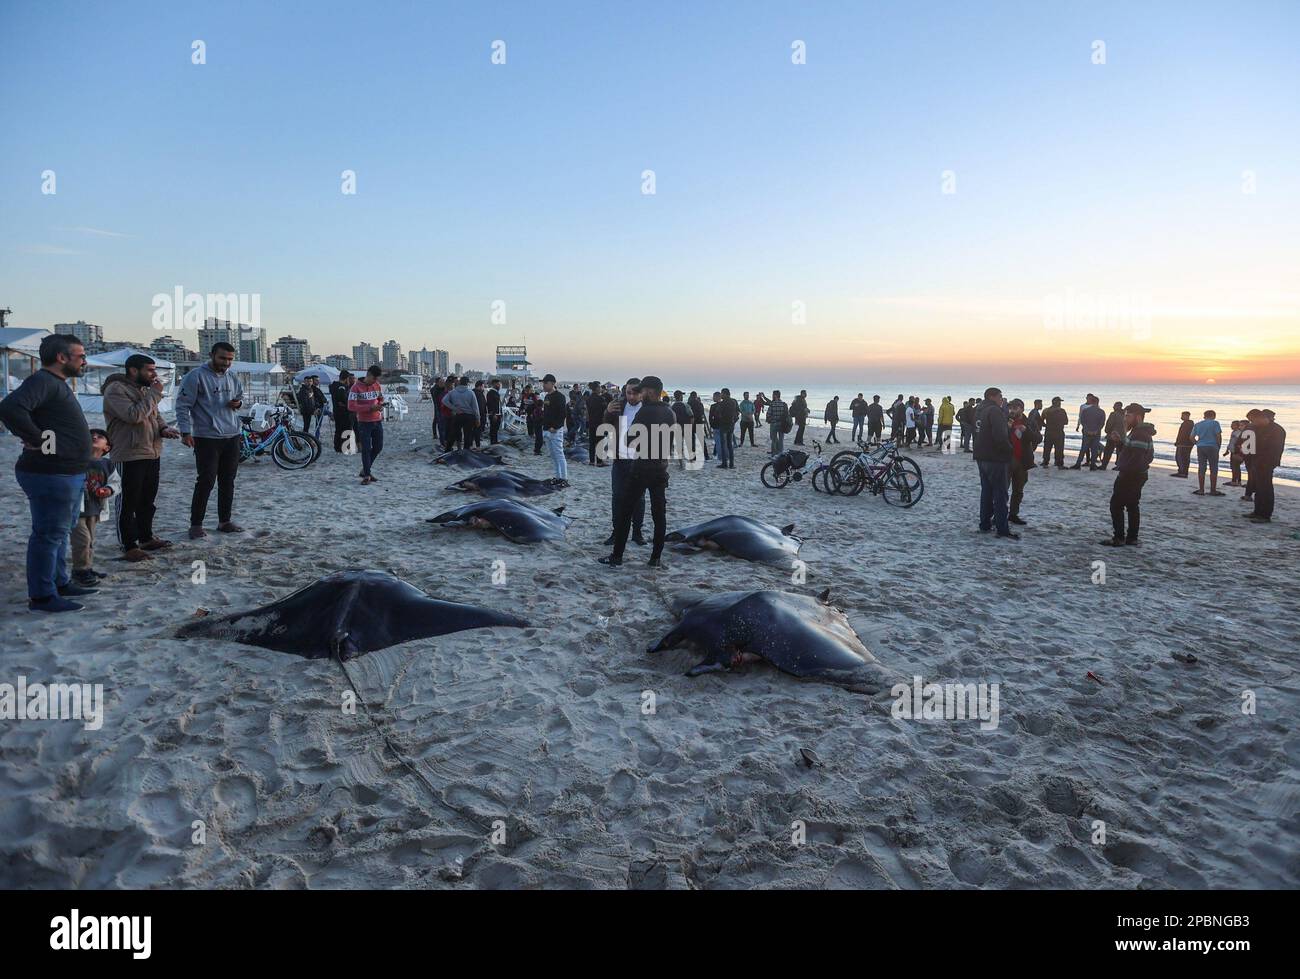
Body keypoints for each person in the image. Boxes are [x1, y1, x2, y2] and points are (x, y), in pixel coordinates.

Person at [0, 334, 98, 612]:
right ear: (61, 357)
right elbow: (9, 408)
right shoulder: (42, 381)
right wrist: (40, 440)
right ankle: (42, 596)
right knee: (48, 534)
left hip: (67, 472)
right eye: (80, 356)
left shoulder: (55, 384)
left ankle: (59, 582)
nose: (84, 361)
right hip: (51, 473)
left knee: (60, 531)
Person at [103, 353, 180, 560]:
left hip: (151, 451)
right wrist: (154, 394)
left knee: (147, 500)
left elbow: (155, 415)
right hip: (128, 454)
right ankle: (128, 545)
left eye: (154, 370)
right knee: (128, 501)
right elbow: (133, 416)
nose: (153, 374)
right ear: (133, 370)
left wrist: (164, 429)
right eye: (150, 370)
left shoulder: (144, 390)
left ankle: (146, 537)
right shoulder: (116, 390)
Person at [601, 376, 673, 567]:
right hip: (660, 469)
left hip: (641, 468)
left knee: (626, 511)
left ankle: (617, 556)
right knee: (659, 514)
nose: (640, 394)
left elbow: (630, 440)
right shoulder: (670, 412)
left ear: (650, 391)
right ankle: (655, 558)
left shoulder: (646, 412)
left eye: (642, 391)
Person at [175, 341, 245, 538]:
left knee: (228, 481)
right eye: (222, 358)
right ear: (212, 355)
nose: (226, 363)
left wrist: (238, 403)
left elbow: (240, 396)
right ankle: (196, 524)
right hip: (206, 437)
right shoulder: (195, 376)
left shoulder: (232, 376)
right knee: (205, 481)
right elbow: (182, 406)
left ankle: (224, 521)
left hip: (232, 435)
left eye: (230, 359)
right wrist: (185, 432)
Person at [1101, 403, 1156, 546]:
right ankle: (1132, 538)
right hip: (1136, 474)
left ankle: (1119, 538)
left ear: (1138, 417)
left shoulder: (1140, 433)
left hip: (1132, 475)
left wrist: (1125, 471)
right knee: (1132, 505)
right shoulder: (1138, 431)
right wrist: (1120, 441)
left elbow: (1137, 457)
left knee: (1116, 505)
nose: (1125, 419)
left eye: (1128, 415)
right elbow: (1131, 450)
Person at [602, 379, 648, 547]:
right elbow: (605, 425)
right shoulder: (619, 406)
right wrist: (607, 411)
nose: (631, 396)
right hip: (620, 458)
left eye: (635, 393)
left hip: (639, 459)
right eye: (628, 392)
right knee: (617, 497)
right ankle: (616, 532)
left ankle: (637, 533)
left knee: (639, 498)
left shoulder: (647, 408)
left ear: (641, 393)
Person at [72, 428, 121, 586]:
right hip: (75, 508)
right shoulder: (76, 459)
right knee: (82, 540)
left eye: (100, 437)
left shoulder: (107, 464)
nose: (94, 437)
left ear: (106, 448)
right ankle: (80, 571)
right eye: (91, 435)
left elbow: (116, 483)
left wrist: (108, 489)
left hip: (94, 509)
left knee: (90, 540)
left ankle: (87, 567)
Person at [972, 386, 1018, 540]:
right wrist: (1009, 450)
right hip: (995, 457)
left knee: (986, 492)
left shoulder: (979, 409)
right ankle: (1002, 529)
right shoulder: (994, 410)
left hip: (981, 455)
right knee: (1000, 494)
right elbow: (1000, 435)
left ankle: (985, 524)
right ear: (992, 396)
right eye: (1000, 396)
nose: (1002, 399)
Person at [1243, 409, 1286, 523]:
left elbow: (1275, 449)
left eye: (1253, 420)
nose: (1252, 423)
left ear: (1261, 418)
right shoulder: (1258, 428)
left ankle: (1265, 515)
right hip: (1256, 461)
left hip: (1267, 462)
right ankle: (1257, 511)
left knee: (1265, 488)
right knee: (1258, 487)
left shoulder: (1277, 430)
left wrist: (1266, 462)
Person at [347, 365, 386, 484]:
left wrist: (380, 405)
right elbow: (351, 406)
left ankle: (365, 470)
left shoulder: (376, 385)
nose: (375, 381)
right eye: (374, 378)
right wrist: (369, 407)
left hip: (377, 420)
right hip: (364, 422)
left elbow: (380, 398)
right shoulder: (355, 388)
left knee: (378, 447)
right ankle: (367, 475)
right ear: (368, 375)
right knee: (366, 449)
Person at [539, 373, 569, 486]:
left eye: (545, 383)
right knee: (552, 455)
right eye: (543, 383)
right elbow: (546, 412)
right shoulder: (546, 397)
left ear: (552, 383)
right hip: (546, 429)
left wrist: (555, 427)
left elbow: (562, 414)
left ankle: (564, 478)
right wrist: (544, 426)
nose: (544, 385)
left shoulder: (560, 397)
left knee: (559, 454)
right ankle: (558, 477)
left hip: (555, 431)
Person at [1006, 399, 1030, 526]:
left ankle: (1013, 514)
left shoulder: (1028, 421)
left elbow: (1038, 437)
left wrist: (1026, 430)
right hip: (1007, 459)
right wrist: (1008, 428)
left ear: (1021, 409)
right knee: (1003, 489)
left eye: (1015, 408)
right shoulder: (1005, 420)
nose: (1012, 410)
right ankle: (998, 514)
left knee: (1018, 490)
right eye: (1011, 408)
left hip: (1022, 461)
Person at [1191, 409, 1224, 497]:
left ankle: (1201, 489)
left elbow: (1191, 437)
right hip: (1212, 446)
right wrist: (1218, 446)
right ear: (1213, 416)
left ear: (1204, 416)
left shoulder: (1198, 424)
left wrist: (1197, 443)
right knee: (1213, 468)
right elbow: (1218, 436)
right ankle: (1213, 490)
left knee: (1202, 468)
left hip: (1201, 446)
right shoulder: (1215, 423)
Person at [445, 375, 481, 453]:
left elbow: (444, 401)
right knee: (467, 434)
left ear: (460, 382)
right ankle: (466, 452)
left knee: (453, 433)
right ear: (467, 383)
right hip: (469, 416)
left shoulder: (453, 392)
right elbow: (475, 407)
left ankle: (447, 450)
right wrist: (478, 419)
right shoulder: (471, 392)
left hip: (458, 415)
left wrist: (454, 408)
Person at [1071, 395, 1106, 470]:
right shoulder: (1101, 412)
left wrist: (1087, 430)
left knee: (1083, 449)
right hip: (1096, 433)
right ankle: (1092, 465)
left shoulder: (1085, 411)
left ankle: (1078, 464)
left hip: (1087, 432)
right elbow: (1102, 423)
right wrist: (1097, 430)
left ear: (1092, 402)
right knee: (1094, 449)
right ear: (1097, 402)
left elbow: (1083, 421)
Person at [329, 370, 355, 452]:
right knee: (346, 429)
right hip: (344, 412)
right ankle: (345, 447)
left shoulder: (334, 386)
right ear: (346, 378)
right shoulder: (341, 387)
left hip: (337, 411)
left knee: (338, 430)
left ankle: (337, 447)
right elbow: (343, 400)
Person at [1097, 401, 1125, 470]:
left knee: (1108, 451)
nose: (1113, 407)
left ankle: (1104, 465)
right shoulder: (1125, 414)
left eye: (1114, 406)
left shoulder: (1114, 414)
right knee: (1119, 452)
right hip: (1122, 436)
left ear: (1118, 406)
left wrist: (1107, 431)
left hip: (1113, 435)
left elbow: (1109, 424)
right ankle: (1118, 466)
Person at [1040, 397, 1068, 468]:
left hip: (1049, 431)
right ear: (1057, 403)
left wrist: (1046, 425)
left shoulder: (1046, 410)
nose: (1060, 403)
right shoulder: (1062, 411)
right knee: (1059, 448)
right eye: (1059, 402)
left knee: (1047, 447)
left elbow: (1041, 420)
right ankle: (1059, 462)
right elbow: (1066, 422)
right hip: (1059, 432)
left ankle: (1045, 461)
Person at [584, 382, 607, 465]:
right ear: (597, 388)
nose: (600, 388)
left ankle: (591, 461)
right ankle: (600, 461)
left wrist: (587, 422)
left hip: (591, 423)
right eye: (600, 387)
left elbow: (586, 412)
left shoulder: (589, 399)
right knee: (599, 442)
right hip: (599, 423)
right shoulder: (601, 399)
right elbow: (605, 412)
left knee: (592, 443)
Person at [715, 388, 738, 468]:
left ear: (725, 394)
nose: (721, 395)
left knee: (723, 444)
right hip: (731, 425)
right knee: (729, 445)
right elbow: (736, 413)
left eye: (722, 394)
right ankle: (731, 464)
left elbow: (717, 412)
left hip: (724, 425)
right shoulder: (733, 402)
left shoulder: (722, 403)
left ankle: (724, 463)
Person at [766, 390, 789, 456]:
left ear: (775, 395)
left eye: (773, 395)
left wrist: (770, 420)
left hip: (774, 424)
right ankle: (780, 453)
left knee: (773, 439)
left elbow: (768, 415)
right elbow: (787, 415)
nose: (772, 396)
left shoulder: (772, 404)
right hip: (782, 424)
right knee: (781, 439)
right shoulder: (784, 404)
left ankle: (774, 454)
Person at [1171, 410, 1194, 477]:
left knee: (1180, 457)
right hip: (1188, 443)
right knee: (1185, 458)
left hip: (1184, 443)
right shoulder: (1190, 424)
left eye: (1183, 415)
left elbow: (1183, 434)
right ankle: (1184, 472)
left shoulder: (1186, 424)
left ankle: (1182, 472)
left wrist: (1178, 442)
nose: (1181, 417)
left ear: (1187, 416)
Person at [1225, 419, 1246, 486]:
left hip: (1236, 452)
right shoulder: (1234, 432)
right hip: (1232, 451)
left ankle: (1236, 481)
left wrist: (1238, 452)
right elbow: (1231, 442)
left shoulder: (1238, 433)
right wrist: (1227, 450)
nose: (1231, 426)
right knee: (1234, 466)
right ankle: (1236, 480)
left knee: (1235, 466)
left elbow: (1239, 443)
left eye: (1233, 425)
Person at [486, 379, 503, 445]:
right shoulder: (490, 393)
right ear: (494, 384)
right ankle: (492, 442)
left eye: (499, 384)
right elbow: (490, 404)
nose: (499, 386)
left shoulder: (497, 393)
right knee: (493, 428)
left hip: (498, 414)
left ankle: (495, 440)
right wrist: (493, 414)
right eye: (498, 384)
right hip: (494, 414)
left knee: (496, 429)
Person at [473, 380, 488, 448]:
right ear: (479, 386)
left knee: (476, 431)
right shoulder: (477, 394)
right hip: (478, 415)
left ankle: (475, 444)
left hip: (478, 415)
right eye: (483, 386)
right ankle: (477, 445)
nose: (484, 388)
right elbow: (480, 406)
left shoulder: (478, 393)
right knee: (477, 431)